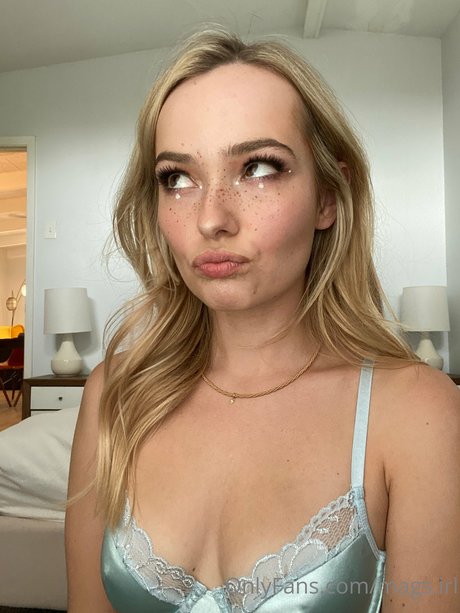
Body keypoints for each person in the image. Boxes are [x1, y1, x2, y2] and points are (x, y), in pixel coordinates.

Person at [65, 28, 460, 613]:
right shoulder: (114, 395)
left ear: (328, 197)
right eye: (177, 178)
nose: (211, 219)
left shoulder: (417, 413)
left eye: (257, 168)